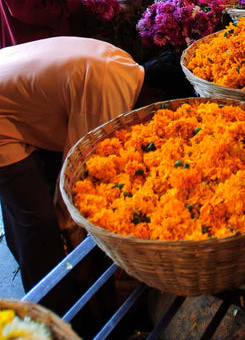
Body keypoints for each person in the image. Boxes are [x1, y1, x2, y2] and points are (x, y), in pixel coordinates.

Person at [0, 36, 194, 302]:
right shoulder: (106, 94)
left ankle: (53, 276)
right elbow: (74, 182)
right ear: (157, 97)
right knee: (37, 222)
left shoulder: (124, 65)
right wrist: (82, 256)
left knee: (25, 211)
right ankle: (55, 308)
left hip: (10, 80)